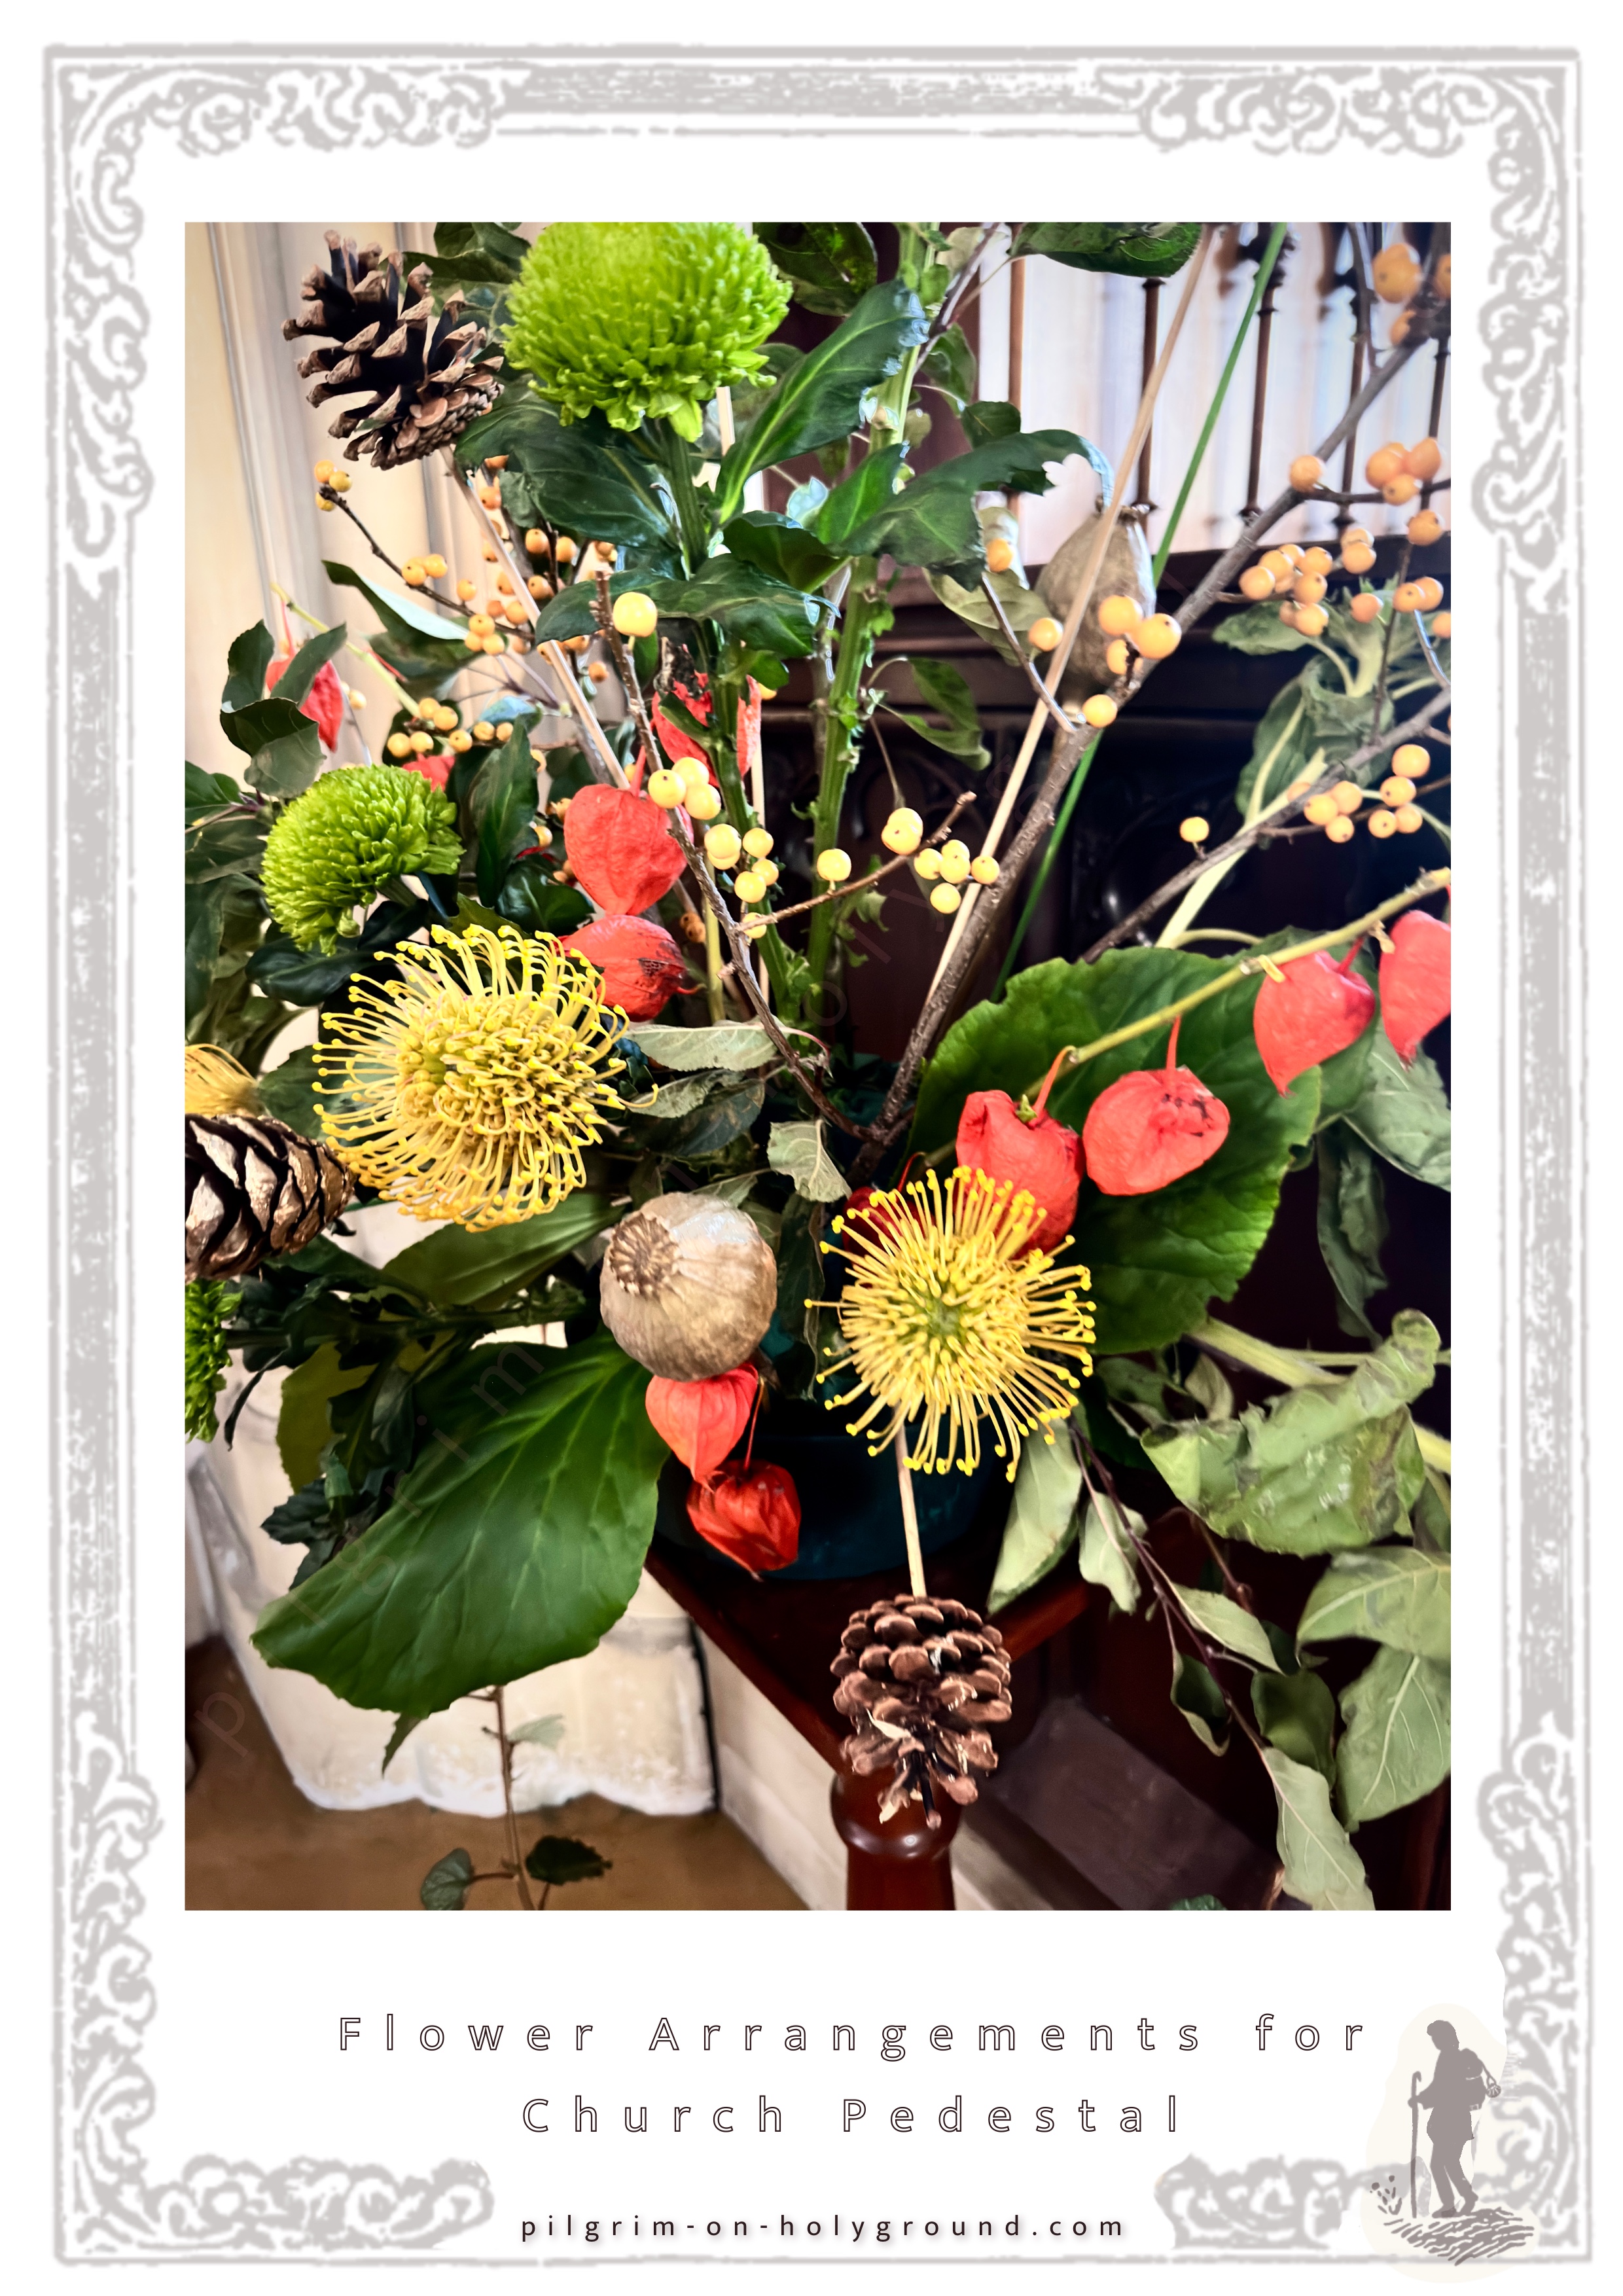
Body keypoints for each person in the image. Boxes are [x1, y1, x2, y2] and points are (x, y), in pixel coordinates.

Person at [1415, 2021, 1499, 2217]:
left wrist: (1421, 2098)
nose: (1435, 2041)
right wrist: (1424, 2098)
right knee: (1450, 2162)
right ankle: (1466, 2197)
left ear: (1445, 2038)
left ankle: (1450, 2205)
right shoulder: (1454, 2056)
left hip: (1449, 2119)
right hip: (1459, 2119)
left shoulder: (1448, 2058)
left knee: (1440, 2164)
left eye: (1437, 2037)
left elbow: (1441, 2088)